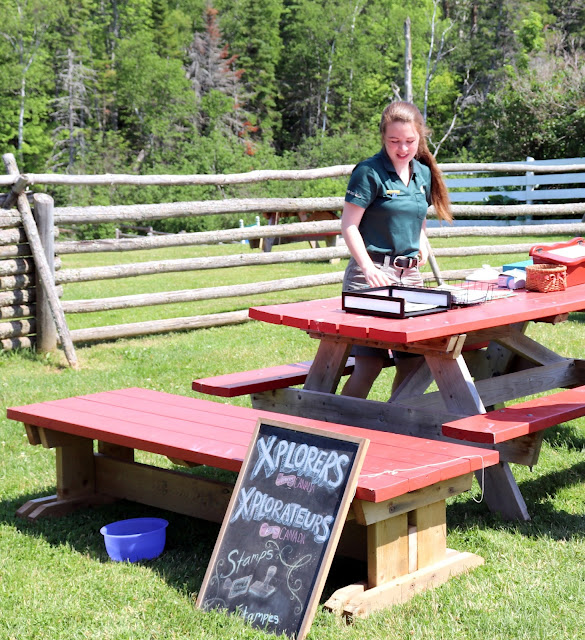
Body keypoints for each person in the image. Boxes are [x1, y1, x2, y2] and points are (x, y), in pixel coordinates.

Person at [340, 101, 452, 399]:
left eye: (409, 141)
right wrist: (368, 268)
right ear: (383, 138)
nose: (402, 148)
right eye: (394, 141)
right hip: (371, 277)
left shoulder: (423, 174)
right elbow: (349, 225)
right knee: (370, 364)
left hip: (411, 275)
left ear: (420, 138)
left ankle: (392, 424)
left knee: (414, 362)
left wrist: (422, 243)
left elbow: (417, 217)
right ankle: (339, 428)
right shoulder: (368, 172)